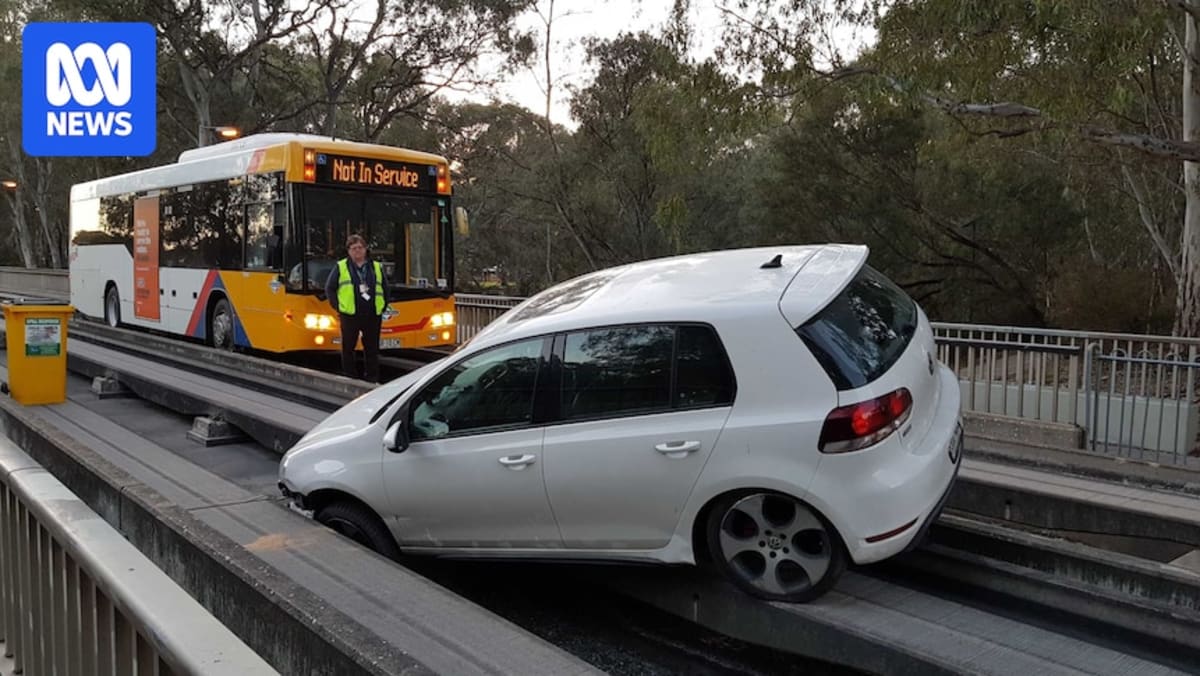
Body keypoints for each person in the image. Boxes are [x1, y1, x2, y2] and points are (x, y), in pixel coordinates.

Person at [325, 234, 389, 382]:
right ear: (348, 251)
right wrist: (338, 307)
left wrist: (383, 306)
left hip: (372, 314)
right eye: (354, 248)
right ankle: (350, 376)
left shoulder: (376, 267)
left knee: (372, 349)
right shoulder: (341, 266)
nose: (357, 251)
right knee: (348, 348)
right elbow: (330, 288)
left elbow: (385, 289)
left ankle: (372, 378)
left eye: (360, 247)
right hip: (350, 315)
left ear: (366, 249)